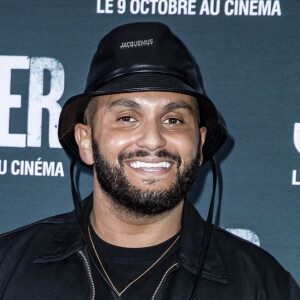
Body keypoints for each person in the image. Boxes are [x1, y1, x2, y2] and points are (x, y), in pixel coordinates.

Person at [0, 22, 299, 300]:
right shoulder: (8, 268)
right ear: (86, 142)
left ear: (200, 145)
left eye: (173, 120)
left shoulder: (262, 286)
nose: (153, 140)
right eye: (127, 118)